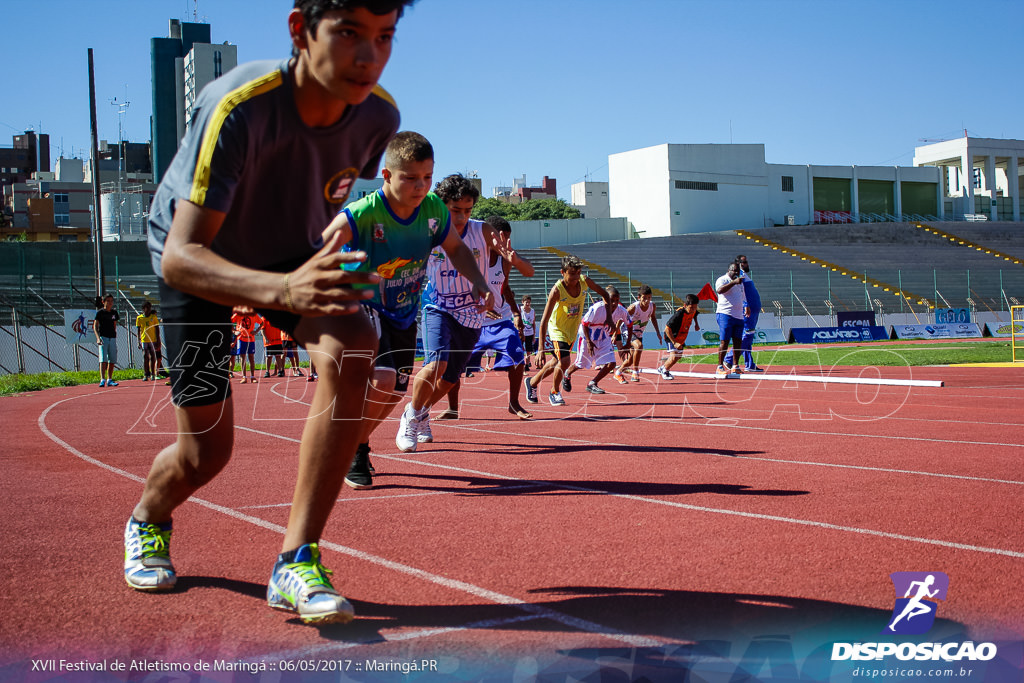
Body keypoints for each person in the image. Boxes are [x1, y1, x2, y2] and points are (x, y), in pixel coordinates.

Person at [126, 0, 412, 627]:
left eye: (385, 36)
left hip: (289, 255)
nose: (369, 57)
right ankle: (149, 517)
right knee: (206, 454)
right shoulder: (239, 107)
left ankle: (296, 558)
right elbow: (179, 256)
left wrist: (335, 258)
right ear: (299, 30)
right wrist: (283, 290)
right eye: (349, 34)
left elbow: (319, 194)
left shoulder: (379, 117)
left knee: (356, 338)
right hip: (204, 265)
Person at [330, 133, 492, 487]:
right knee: (384, 379)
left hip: (403, 313)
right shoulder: (361, 215)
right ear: (386, 175)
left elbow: (457, 249)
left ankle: (355, 443)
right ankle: (351, 448)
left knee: (393, 392)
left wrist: (480, 282)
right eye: (410, 178)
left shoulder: (433, 210)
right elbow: (320, 249)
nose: (420, 186)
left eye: (427, 178)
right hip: (362, 307)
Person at [399, 176, 522, 436]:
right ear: (441, 206)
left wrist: (508, 261)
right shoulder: (426, 230)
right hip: (438, 305)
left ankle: (420, 413)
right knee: (436, 365)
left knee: (450, 379)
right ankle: (410, 418)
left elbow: (508, 265)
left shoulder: (483, 230)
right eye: (455, 210)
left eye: (467, 210)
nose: (462, 216)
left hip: (471, 313)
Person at [453, 215, 535, 425]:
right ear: (490, 235)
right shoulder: (471, 254)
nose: (506, 243)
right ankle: (452, 408)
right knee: (453, 365)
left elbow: (504, 288)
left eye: (509, 238)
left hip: (500, 320)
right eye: (502, 238)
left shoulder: (505, 260)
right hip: (472, 319)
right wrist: (478, 306)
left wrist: (516, 313)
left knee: (517, 356)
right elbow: (460, 286)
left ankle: (514, 403)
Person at [525, 255, 610, 406]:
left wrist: (609, 317)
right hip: (556, 330)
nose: (576, 277)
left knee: (556, 362)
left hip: (571, 331)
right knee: (564, 361)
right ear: (562, 272)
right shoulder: (557, 291)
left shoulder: (584, 282)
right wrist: (540, 349)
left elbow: (605, 295)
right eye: (572, 273)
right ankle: (554, 392)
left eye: (578, 273)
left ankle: (532, 382)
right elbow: (544, 320)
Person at [563, 286, 625, 395]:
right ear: (605, 299)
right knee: (580, 364)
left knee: (611, 363)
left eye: (617, 300)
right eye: (612, 300)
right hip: (588, 338)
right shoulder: (596, 308)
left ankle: (592, 383)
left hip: (603, 338)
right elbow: (584, 324)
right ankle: (567, 373)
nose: (614, 303)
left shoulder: (619, 310)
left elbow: (628, 322)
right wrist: (588, 342)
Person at [724, 254, 764, 372]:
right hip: (748, 310)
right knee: (747, 334)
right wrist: (746, 305)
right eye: (744, 262)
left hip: (753, 309)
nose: (747, 264)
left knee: (748, 337)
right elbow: (741, 292)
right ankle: (729, 359)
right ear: (740, 264)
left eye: (746, 262)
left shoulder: (744, 275)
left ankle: (750, 364)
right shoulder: (740, 275)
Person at [622, 285, 662, 381]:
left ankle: (618, 372)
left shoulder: (652, 306)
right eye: (644, 298)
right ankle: (635, 372)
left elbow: (653, 318)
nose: (647, 301)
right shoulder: (634, 307)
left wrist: (658, 332)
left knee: (631, 360)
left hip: (639, 333)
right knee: (639, 346)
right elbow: (621, 317)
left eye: (649, 298)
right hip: (627, 331)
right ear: (639, 298)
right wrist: (615, 332)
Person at [715, 261, 746, 378]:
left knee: (738, 341)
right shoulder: (722, 279)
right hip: (725, 314)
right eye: (735, 271)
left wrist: (745, 306)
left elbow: (742, 297)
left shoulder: (740, 283)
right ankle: (719, 366)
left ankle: (735, 366)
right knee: (725, 341)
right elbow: (719, 290)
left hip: (738, 315)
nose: (737, 273)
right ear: (729, 270)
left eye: (738, 271)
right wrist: (733, 282)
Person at [659, 294, 701, 379]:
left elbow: (695, 314)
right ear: (685, 305)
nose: (693, 310)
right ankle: (665, 371)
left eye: (695, 308)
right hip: (671, 336)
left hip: (681, 337)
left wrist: (696, 324)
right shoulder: (679, 314)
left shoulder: (693, 311)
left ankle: (662, 368)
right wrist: (674, 342)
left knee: (678, 357)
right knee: (674, 356)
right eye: (691, 308)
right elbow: (667, 329)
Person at [231, 306, 264, 383]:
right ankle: (244, 377)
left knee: (251, 357)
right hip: (241, 338)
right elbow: (229, 321)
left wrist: (256, 331)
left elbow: (261, 322)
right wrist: (234, 331)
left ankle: (252, 377)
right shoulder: (238, 313)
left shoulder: (253, 314)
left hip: (251, 338)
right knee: (243, 357)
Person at [94, 294, 120, 387]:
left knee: (112, 359)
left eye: (111, 301)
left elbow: (114, 325)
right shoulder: (100, 313)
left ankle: (110, 379)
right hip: (103, 337)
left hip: (112, 337)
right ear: (103, 301)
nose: (110, 303)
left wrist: (114, 334)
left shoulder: (114, 313)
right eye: (108, 301)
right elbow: (95, 326)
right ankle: (102, 379)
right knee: (103, 359)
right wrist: (98, 338)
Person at [135, 301, 162, 382]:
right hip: (144, 339)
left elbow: (157, 329)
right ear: (143, 309)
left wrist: (157, 340)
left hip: (152, 340)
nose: (149, 309)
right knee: (145, 357)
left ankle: (153, 374)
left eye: (150, 307)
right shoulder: (139, 318)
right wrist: (138, 340)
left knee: (153, 357)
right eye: (147, 307)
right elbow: (138, 330)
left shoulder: (153, 317)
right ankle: (146, 374)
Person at [520, 295, 536, 371]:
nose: (528, 304)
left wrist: (534, 335)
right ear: (522, 302)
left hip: (530, 333)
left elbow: (533, 323)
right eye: (526, 302)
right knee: (519, 349)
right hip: (521, 333)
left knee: (528, 350)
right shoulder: (520, 310)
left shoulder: (532, 311)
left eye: (529, 302)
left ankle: (527, 364)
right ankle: (519, 363)